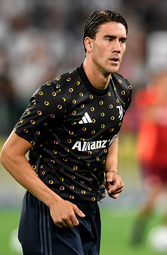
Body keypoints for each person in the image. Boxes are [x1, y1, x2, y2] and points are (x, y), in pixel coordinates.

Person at [0, 10, 132, 255]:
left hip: (89, 212)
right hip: (50, 214)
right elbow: (9, 155)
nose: (117, 48)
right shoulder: (56, 95)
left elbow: (111, 134)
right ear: (89, 44)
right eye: (109, 39)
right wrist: (53, 202)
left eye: (122, 41)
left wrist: (111, 170)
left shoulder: (122, 90)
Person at [130, 70, 167, 245]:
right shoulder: (149, 97)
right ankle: (139, 225)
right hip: (153, 156)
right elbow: (148, 117)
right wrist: (161, 98)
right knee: (155, 194)